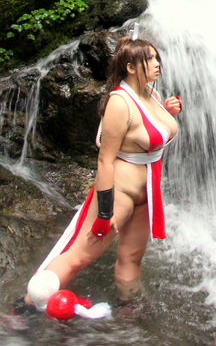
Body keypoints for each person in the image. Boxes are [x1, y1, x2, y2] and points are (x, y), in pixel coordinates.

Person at [26, 36, 181, 305]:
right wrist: (104, 213)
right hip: (119, 193)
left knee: (132, 257)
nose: (158, 63)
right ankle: (28, 305)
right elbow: (105, 161)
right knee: (81, 256)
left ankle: (129, 308)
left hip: (146, 191)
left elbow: (147, 133)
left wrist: (166, 112)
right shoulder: (119, 103)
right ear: (130, 67)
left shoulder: (151, 94)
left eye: (157, 58)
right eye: (150, 59)